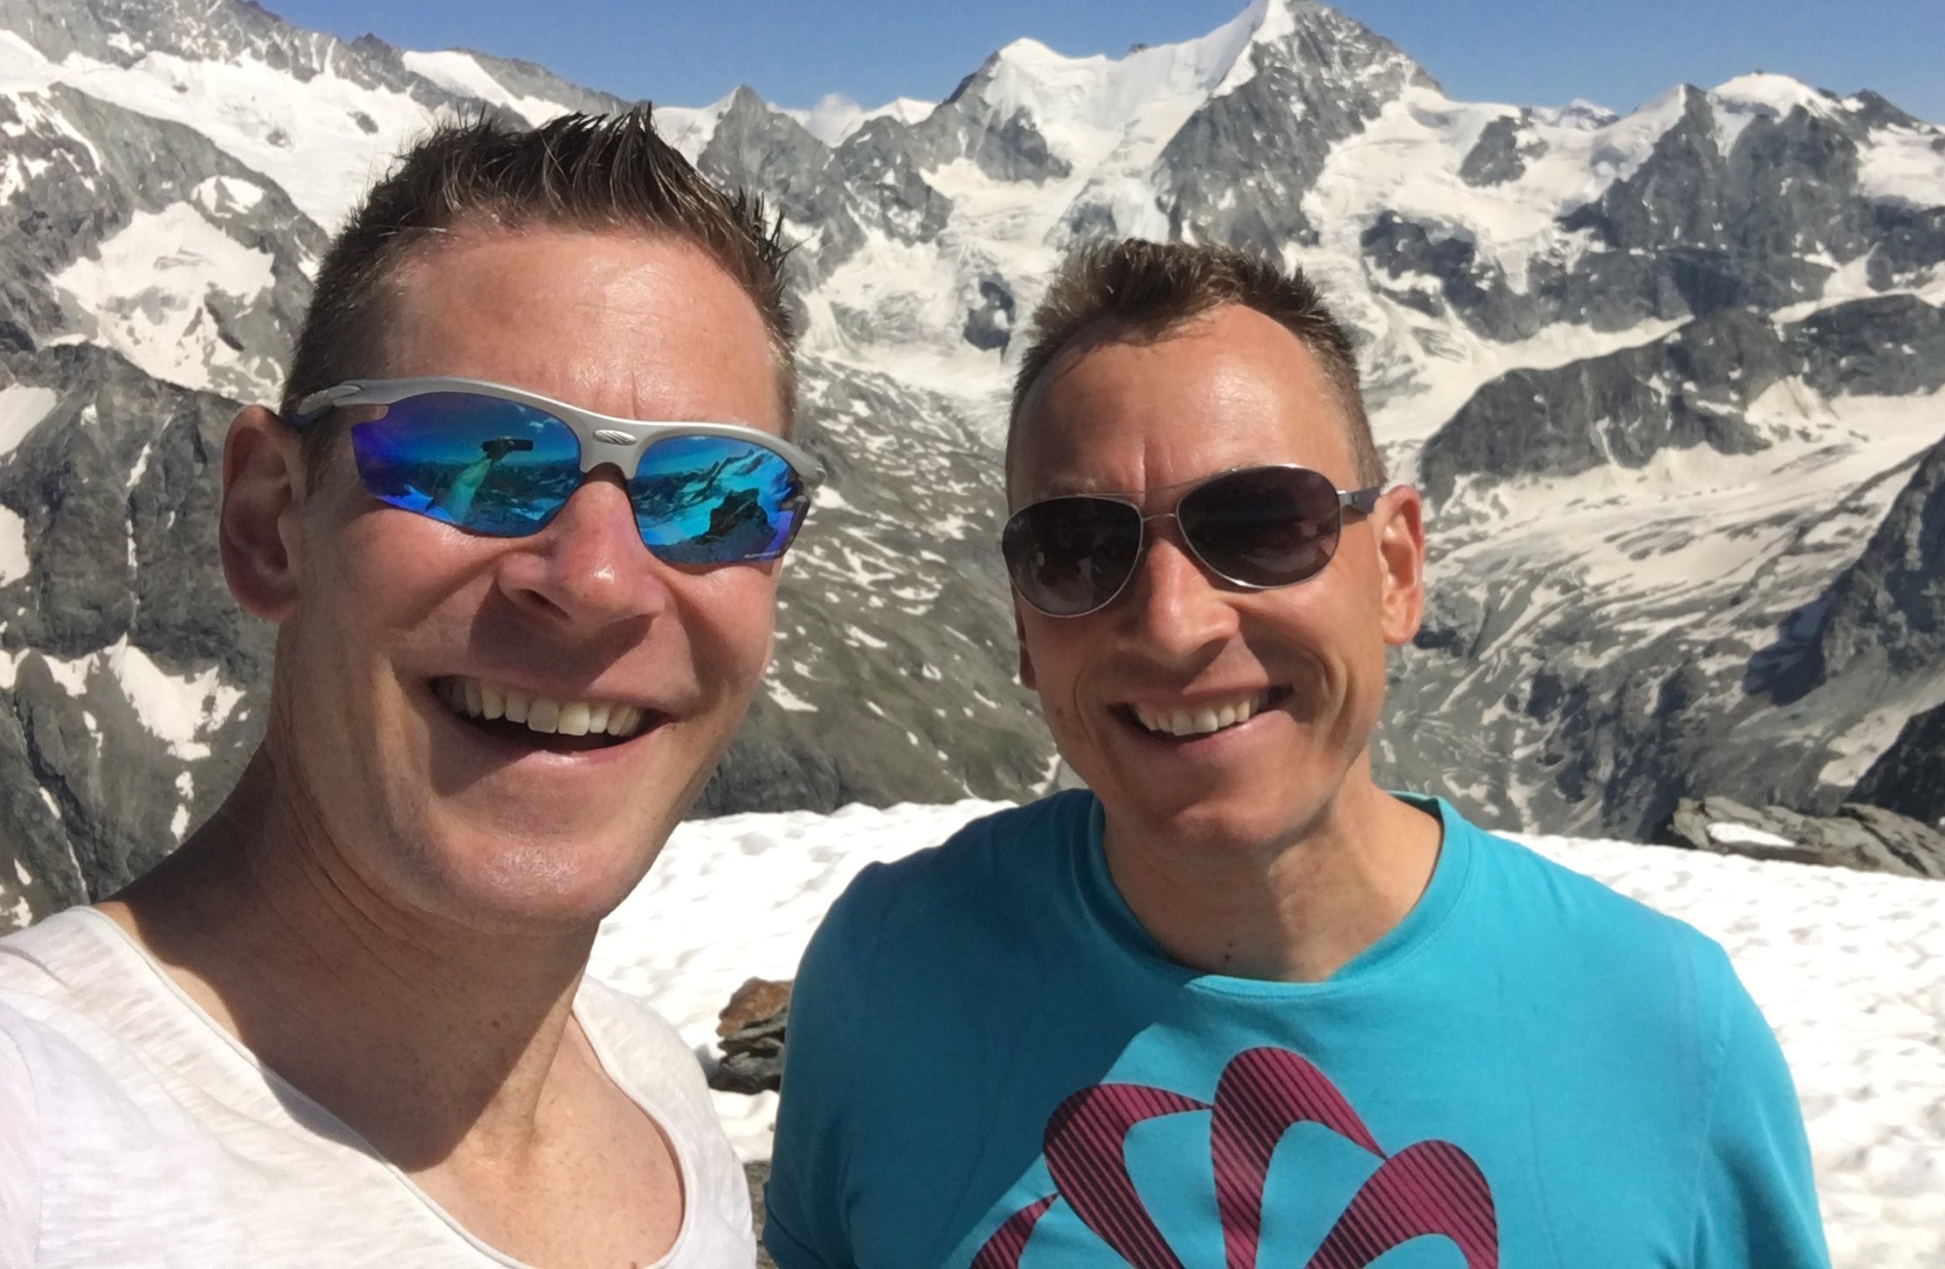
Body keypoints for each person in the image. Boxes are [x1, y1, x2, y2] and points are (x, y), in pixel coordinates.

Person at [765, 238, 1830, 1268]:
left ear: (1397, 569)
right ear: (1022, 624)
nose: (1173, 623)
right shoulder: (886, 977)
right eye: (1077, 549)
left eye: (1263, 524)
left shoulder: (1669, 1036)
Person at [0, 109, 817, 1267]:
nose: (597, 578)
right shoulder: (36, 1135)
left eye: (721, 493)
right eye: (468, 456)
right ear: (270, 521)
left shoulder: (658, 1099)